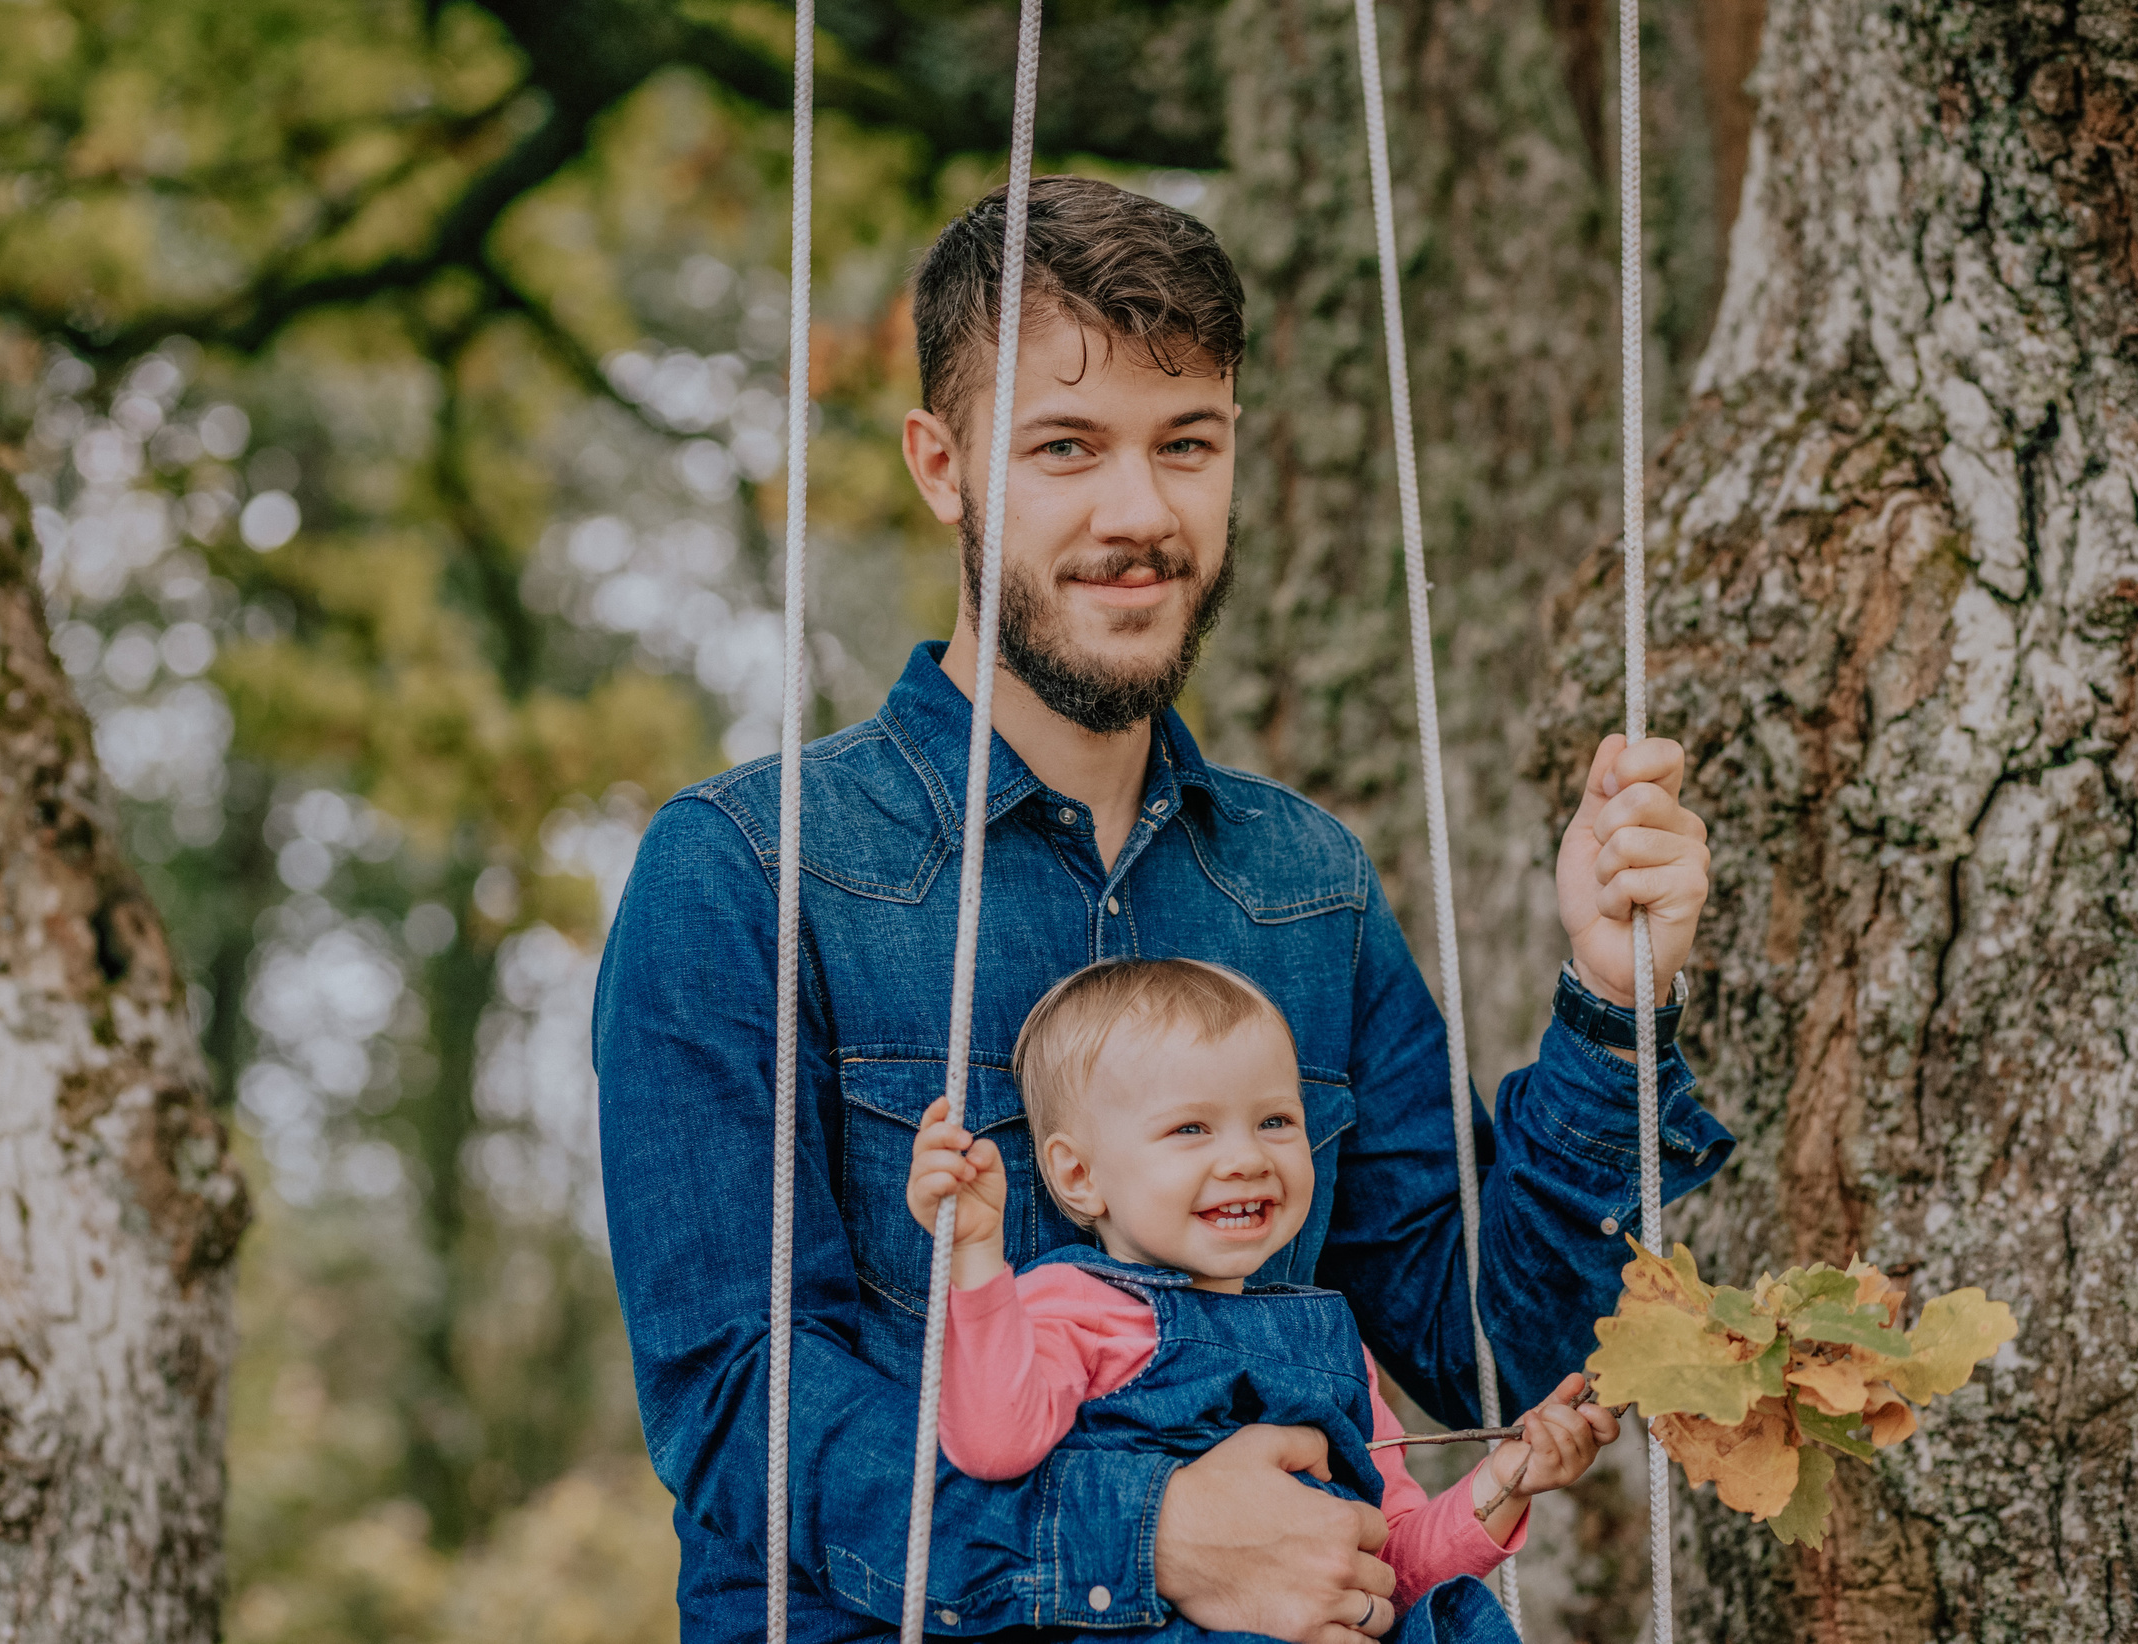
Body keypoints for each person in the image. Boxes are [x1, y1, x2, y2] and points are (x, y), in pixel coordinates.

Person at [594, 174, 1731, 1644]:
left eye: (1185, 444)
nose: (1140, 513)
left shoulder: (1302, 882)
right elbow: (741, 1411)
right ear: (942, 466)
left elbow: (1487, 1356)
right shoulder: (748, 871)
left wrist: (1609, 999)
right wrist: (1148, 1539)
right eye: (1066, 448)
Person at [910, 958, 1624, 1644]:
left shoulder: (1332, 1348)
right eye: (1191, 1128)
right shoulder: (1076, 1304)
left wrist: (1503, 1483)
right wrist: (976, 1257)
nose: (1248, 1157)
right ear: (1079, 1176)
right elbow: (993, 1444)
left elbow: (1389, 1566)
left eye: (1276, 1121)